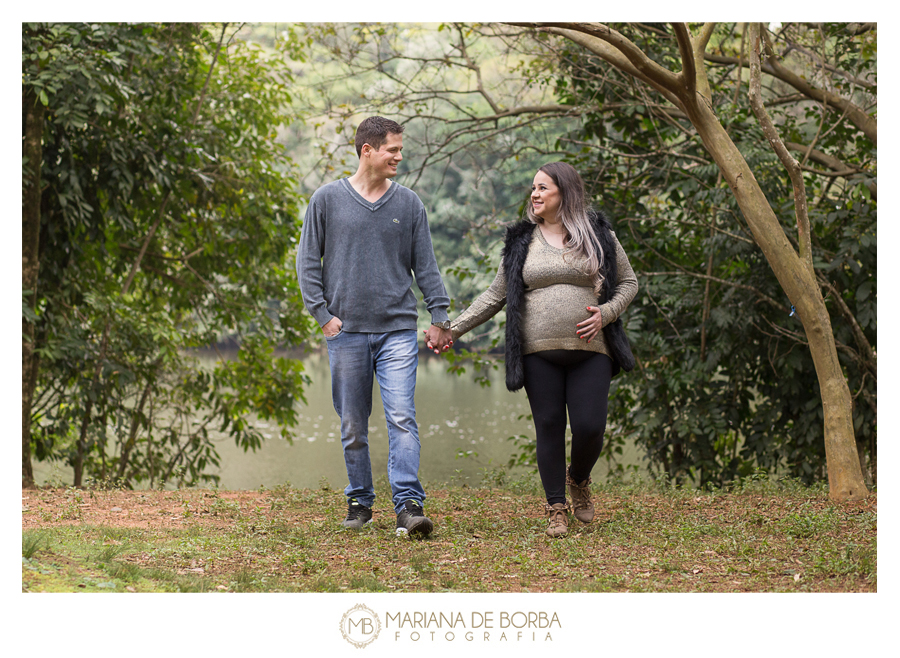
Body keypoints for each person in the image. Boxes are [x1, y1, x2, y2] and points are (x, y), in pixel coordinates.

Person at [437, 162, 638, 537]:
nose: (535, 194)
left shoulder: (599, 235)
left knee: (590, 426)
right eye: (533, 188)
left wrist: (606, 314)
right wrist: (453, 329)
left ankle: (578, 478)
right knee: (548, 425)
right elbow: (495, 295)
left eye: (543, 188)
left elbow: (628, 282)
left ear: (565, 192)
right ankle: (556, 507)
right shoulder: (521, 241)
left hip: (591, 349)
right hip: (536, 351)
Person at [297, 116, 453, 538]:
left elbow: (427, 266)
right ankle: (360, 502)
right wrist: (323, 316)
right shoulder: (326, 200)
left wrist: (439, 316)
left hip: (398, 330)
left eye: (400, 150)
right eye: (393, 150)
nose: (399, 157)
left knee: (402, 416)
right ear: (368, 150)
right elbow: (307, 262)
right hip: (345, 332)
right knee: (352, 423)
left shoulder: (409, 204)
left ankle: (407, 506)